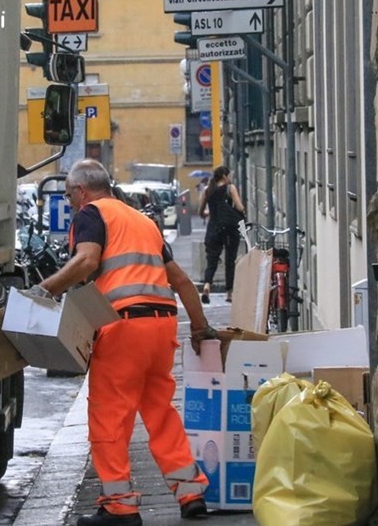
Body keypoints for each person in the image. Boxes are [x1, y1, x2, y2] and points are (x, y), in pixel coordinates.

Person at [32, 159, 215, 525]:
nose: (69, 203)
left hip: (124, 326)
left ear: (83, 191)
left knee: (109, 417)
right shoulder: (141, 221)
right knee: (160, 412)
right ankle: (190, 494)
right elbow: (180, 281)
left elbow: (86, 262)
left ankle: (120, 507)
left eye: (69, 196)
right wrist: (200, 329)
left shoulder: (91, 214)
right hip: (162, 326)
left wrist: (42, 290)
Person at [198, 165, 245, 303]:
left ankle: (207, 285)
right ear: (224, 176)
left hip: (213, 228)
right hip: (229, 228)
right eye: (228, 175)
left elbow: (201, 212)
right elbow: (239, 207)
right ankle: (229, 293)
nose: (229, 178)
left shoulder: (208, 190)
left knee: (211, 260)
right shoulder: (230, 188)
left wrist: (210, 213)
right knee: (230, 260)